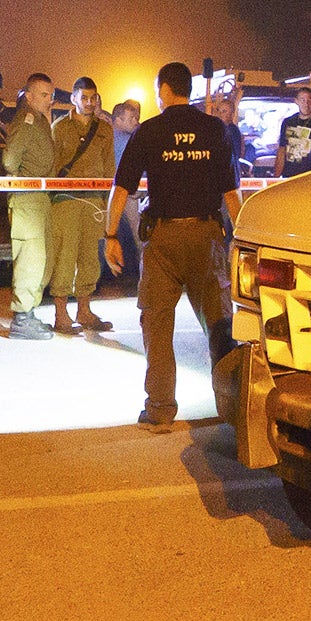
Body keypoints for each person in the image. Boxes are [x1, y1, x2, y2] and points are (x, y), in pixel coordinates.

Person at [104, 62, 239, 433]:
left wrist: (110, 234)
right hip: (207, 238)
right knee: (219, 324)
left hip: (163, 241)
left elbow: (122, 188)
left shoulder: (150, 130)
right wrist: (240, 239)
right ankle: (234, 408)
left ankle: (161, 408)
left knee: (158, 325)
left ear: (163, 90)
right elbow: (231, 193)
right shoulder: (215, 129)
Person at [47, 77, 115, 334]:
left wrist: (107, 201)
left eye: (93, 98)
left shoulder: (104, 130)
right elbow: (53, 165)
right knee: (65, 256)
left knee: (90, 258)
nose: (89, 103)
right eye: (84, 98)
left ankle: (84, 310)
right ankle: (61, 313)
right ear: (73, 99)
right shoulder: (60, 127)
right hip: (66, 201)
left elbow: (110, 168)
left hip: (93, 201)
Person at [1, 72, 58, 340]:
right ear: (29, 95)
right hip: (26, 198)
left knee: (40, 260)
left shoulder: (40, 121)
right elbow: (11, 161)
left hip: (40, 198)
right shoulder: (26, 121)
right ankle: (21, 318)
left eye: (51, 95)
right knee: (29, 260)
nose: (50, 100)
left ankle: (29, 312)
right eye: (44, 95)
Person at [101, 99, 142, 284]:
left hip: (106, 195)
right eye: (131, 118)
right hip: (129, 195)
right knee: (139, 236)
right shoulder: (127, 141)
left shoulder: (105, 138)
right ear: (117, 119)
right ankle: (143, 276)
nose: (136, 121)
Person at [274, 86, 311, 177]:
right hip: (289, 175)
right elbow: (282, 150)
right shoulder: (288, 122)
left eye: (309, 100)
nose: (306, 104)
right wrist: (276, 176)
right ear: (296, 101)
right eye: (302, 100)